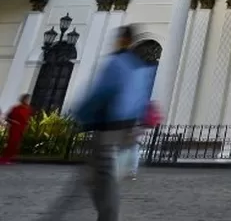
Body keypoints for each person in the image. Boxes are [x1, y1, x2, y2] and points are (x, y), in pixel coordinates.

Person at [41, 24, 151, 221]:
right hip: (126, 127)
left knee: (101, 176)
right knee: (96, 176)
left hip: (109, 127)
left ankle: (102, 216)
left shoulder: (117, 63)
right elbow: (141, 99)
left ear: (122, 40)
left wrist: (81, 117)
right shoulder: (139, 66)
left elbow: (101, 93)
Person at [0, 93, 32, 164]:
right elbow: (7, 117)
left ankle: (9, 158)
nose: (27, 100)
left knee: (16, 144)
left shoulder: (28, 109)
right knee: (11, 142)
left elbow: (27, 118)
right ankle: (4, 158)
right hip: (15, 127)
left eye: (28, 99)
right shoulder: (16, 108)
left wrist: (28, 124)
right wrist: (13, 121)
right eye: (26, 99)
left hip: (22, 128)